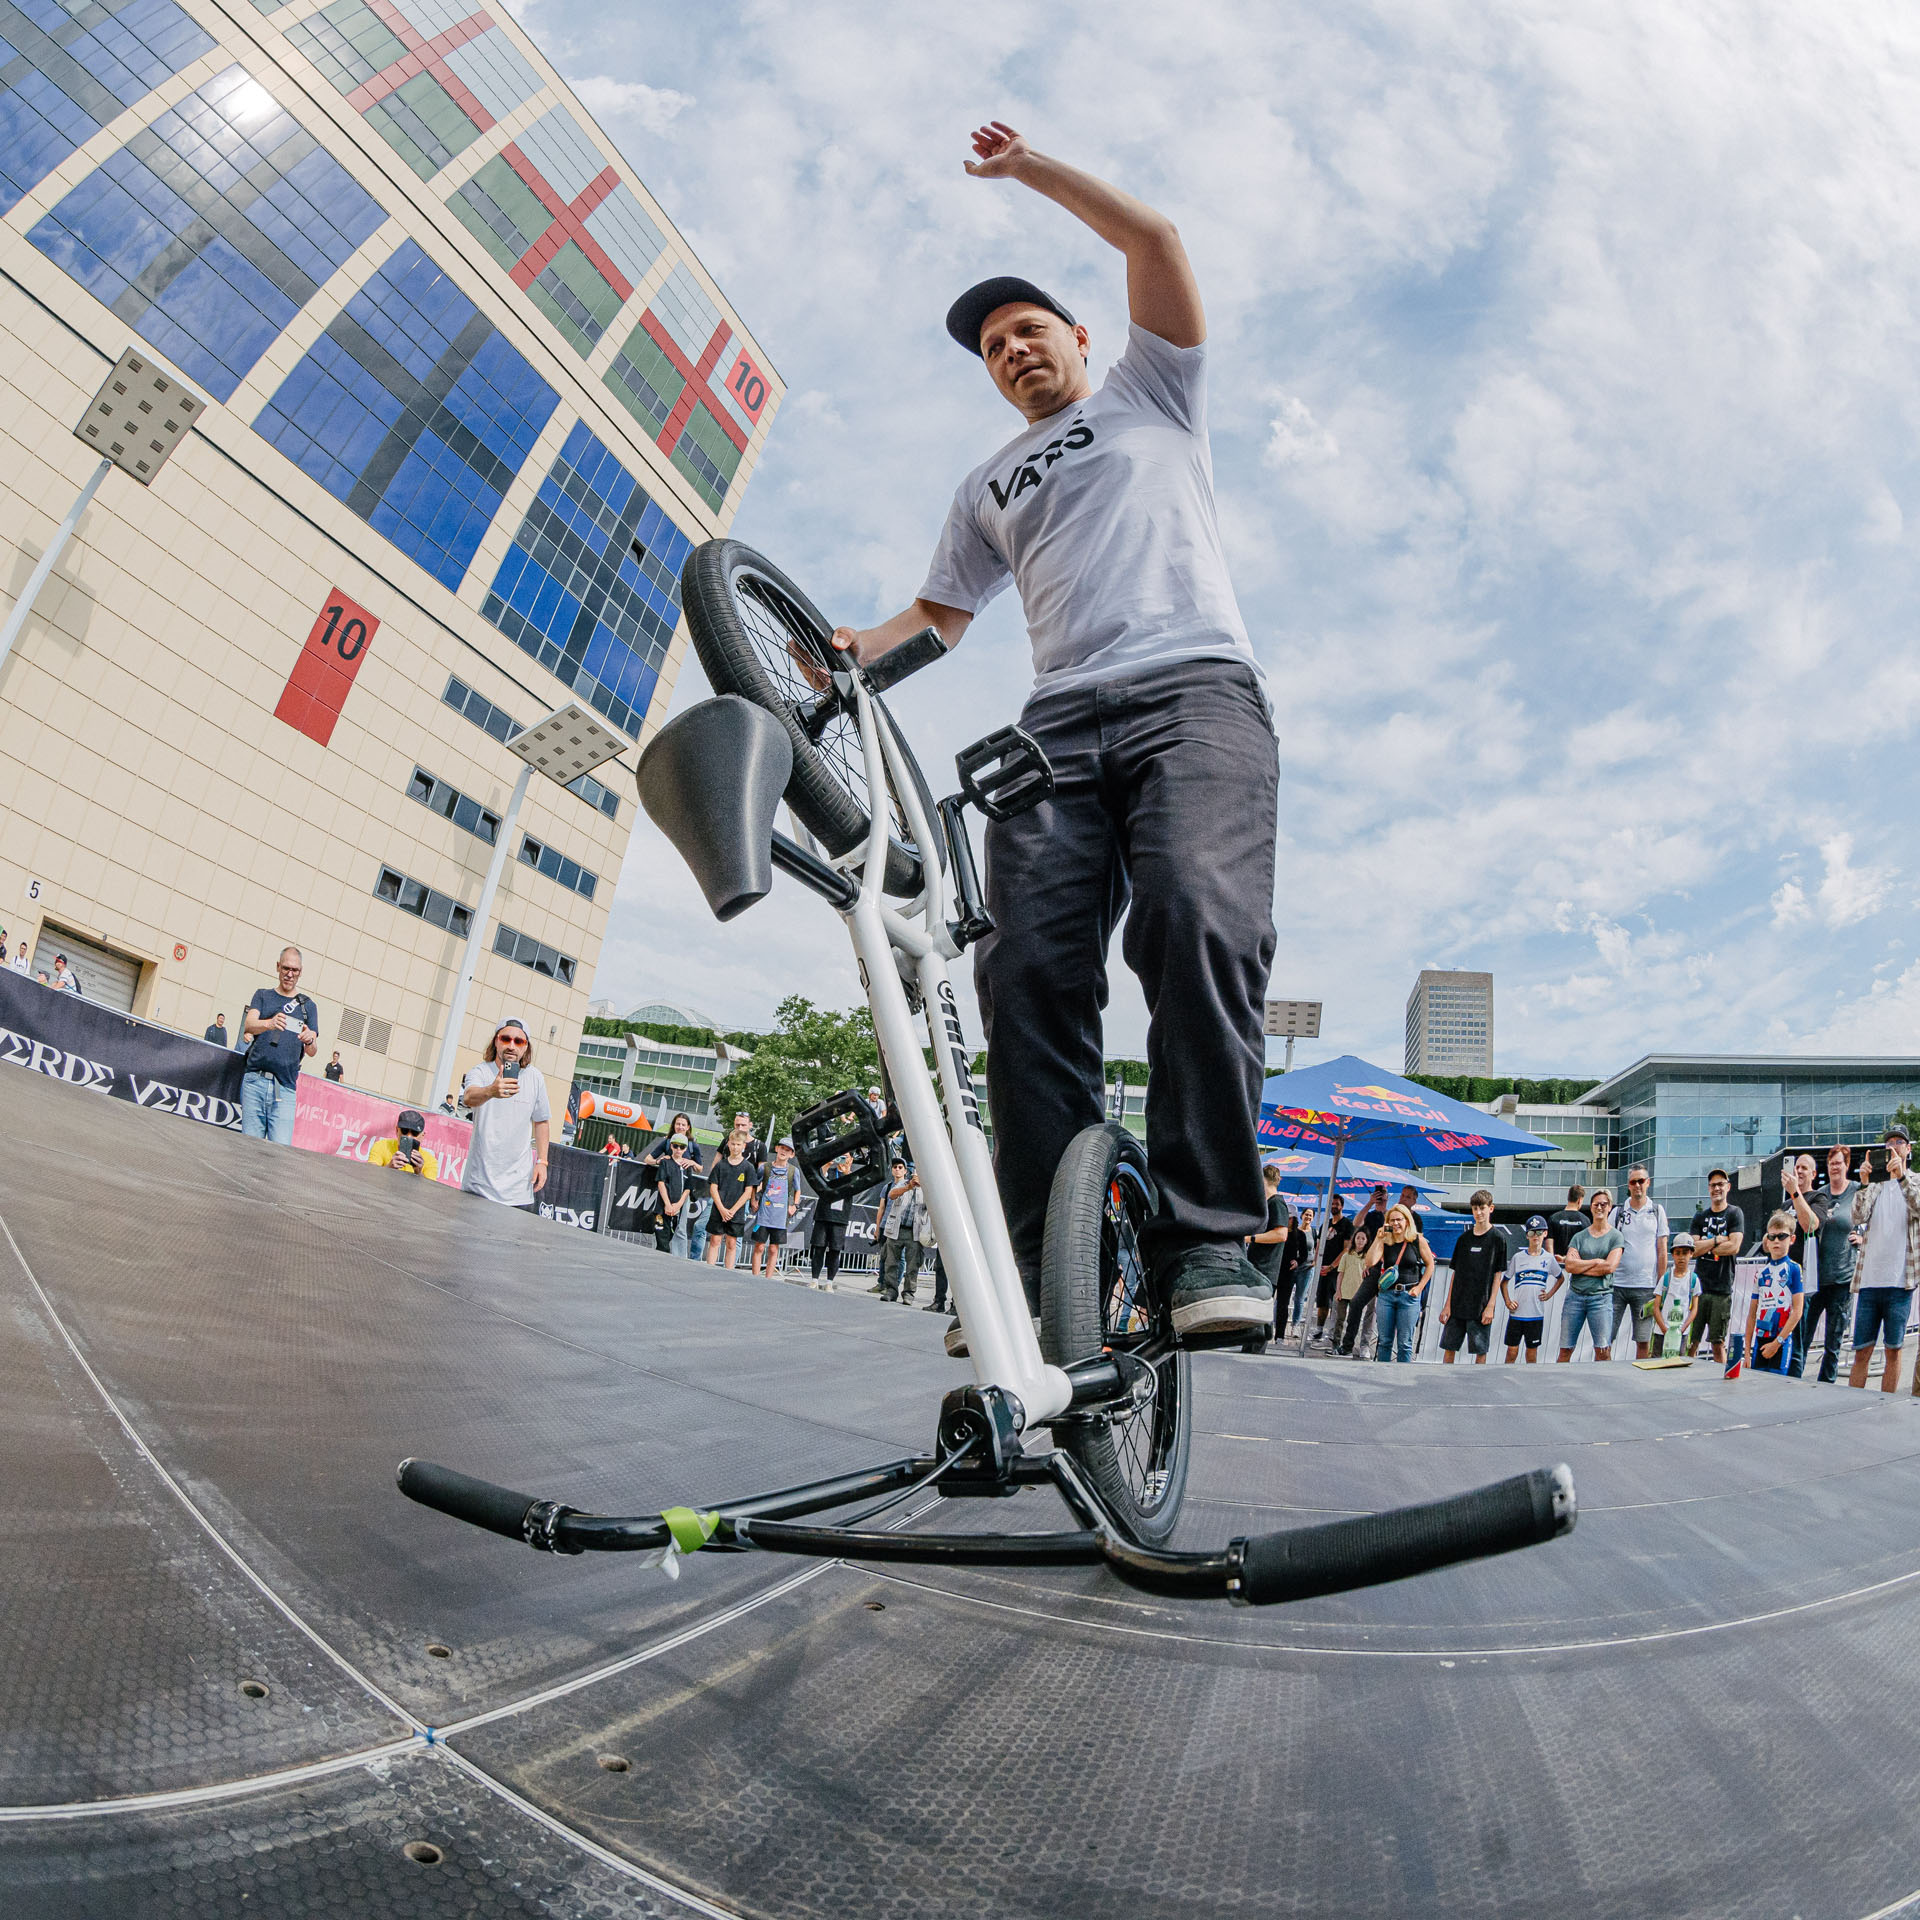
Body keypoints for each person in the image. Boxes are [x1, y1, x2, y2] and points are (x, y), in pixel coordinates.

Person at [824, 121, 1278, 1346]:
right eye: (992, 348)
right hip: (1057, 723)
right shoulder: (984, 488)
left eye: (1029, 330)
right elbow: (932, 623)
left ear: (1081, 339)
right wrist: (811, 657)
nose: (1013, 351)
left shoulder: (1153, 392)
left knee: (1194, 916)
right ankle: (1043, 1278)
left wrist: (1026, 172)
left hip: (1197, 695)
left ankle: (1207, 1243)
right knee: (1023, 973)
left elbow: (1156, 237)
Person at [1849, 1126, 1920, 1394]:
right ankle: (1852, 1405)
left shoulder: (1915, 1180)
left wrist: (1901, 1177)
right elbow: (1857, 1216)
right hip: (1869, 1280)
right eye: (1888, 1143)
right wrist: (1864, 1183)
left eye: (1899, 1142)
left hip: (1900, 1280)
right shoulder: (1876, 1185)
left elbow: (1918, 1206)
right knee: (1861, 1351)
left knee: (1894, 1350)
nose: (1893, 1146)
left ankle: (1886, 1406)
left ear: (1908, 1149)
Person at [459, 1017, 550, 1209]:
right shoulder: (481, 1071)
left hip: (518, 1191)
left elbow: (541, 1121)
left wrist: (542, 1161)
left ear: (526, 1047)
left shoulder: (535, 1078)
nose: (511, 1045)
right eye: (505, 1039)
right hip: (479, 1187)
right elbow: (468, 1097)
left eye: (519, 1041)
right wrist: (490, 1091)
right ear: (496, 1041)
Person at [1787, 1146, 1856, 1384]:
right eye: (1831, 1163)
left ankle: (1827, 1387)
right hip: (1816, 1276)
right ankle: (1795, 1384)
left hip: (1841, 1276)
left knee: (1833, 1342)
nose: (1835, 1167)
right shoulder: (1820, 1195)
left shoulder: (1856, 1190)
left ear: (1847, 1165)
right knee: (1803, 1337)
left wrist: (1864, 1235)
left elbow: (1870, 1215)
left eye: (1839, 1163)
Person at [239, 947, 317, 1144]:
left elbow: (312, 1051)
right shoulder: (263, 995)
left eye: (295, 970)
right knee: (247, 1150)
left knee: (278, 1156)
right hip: (254, 1081)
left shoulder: (308, 1007)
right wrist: (269, 1023)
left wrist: (309, 1039)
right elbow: (248, 1024)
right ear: (278, 967)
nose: (289, 974)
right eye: (285, 968)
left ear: (300, 972)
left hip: (285, 1087)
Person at [1439, 1190, 1506, 1365]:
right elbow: (1455, 1273)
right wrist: (1447, 1305)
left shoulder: (1498, 1239)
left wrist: (1491, 1305)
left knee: (1480, 1351)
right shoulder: (1463, 1239)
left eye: (1482, 1208)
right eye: (1475, 1208)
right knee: (1449, 1348)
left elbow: (1498, 1275)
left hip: (1481, 1305)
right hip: (1458, 1304)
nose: (1478, 1212)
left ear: (1490, 1208)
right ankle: (1444, 1385)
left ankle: (1479, 1388)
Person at [1558, 1188, 1624, 1363]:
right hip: (1575, 1297)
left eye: (1604, 1204)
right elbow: (1570, 1265)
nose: (1600, 1207)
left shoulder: (1616, 1237)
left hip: (1600, 1299)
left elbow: (1609, 1267)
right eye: (1596, 1204)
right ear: (1591, 1207)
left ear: (1609, 1207)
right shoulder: (1579, 1237)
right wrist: (1596, 1262)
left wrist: (1582, 1266)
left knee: (1602, 1351)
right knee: (1565, 1350)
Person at [1611, 1166, 1669, 1361]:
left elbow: (1662, 1250)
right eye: (1633, 1182)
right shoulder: (1618, 1212)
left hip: (1645, 1286)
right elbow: (1607, 1243)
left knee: (1643, 1341)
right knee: (1605, 1338)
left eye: (1641, 1181)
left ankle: (1639, 1382)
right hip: (1617, 1285)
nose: (1637, 1185)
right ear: (1628, 1185)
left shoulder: (1657, 1211)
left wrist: (1661, 1286)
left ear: (1648, 1182)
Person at [1687, 1168, 1745, 1363]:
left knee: (1717, 1343)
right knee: (1691, 1342)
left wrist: (1706, 1245)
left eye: (1720, 1184)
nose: (1716, 1188)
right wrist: (1717, 1240)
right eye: (1713, 1185)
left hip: (1721, 1288)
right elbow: (1693, 1249)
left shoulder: (1735, 1213)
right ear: (1708, 1188)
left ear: (1728, 1187)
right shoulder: (1699, 1217)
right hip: (1699, 1289)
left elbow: (1734, 1246)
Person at [1367, 1204, 1433, 1362]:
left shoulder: (1417, 1240)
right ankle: (1382, 1375)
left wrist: (1419, 1288)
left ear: (1407, 1221)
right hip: (1387, 1295)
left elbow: (1430, 1264)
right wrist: (1378, 1238)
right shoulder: (1386, 1241)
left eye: (1399, 1220)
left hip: (1409, 1295)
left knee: (1404, 1343)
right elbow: (1370, 1262)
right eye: (1392, 1220)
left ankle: (1402, 1379)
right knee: (1384, 1341)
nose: (1395, 1223)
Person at [1744, 1211, 1805, 1376]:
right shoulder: (1761, 1273)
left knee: (1775, 1387)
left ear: (1792, 1239)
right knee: (1756, 1384)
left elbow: (1797, 1310)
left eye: (1781, 1236)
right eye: (1772, 1237)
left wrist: (1778, 1342)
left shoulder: (1793, 1269)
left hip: (1781, 1339)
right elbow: (1751, 1314)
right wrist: (1747, 1351)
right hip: (1761, 1337)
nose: (1776, 1241)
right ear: (1766, 1241)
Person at [1501, 1215, 1564, 1365]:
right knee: (1512, 1352)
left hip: (1536, 1315)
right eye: (1531, 1233)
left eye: (1539, 1232)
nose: (1535, 1236)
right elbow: (1504, 1282)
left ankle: (1531, 1383)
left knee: (1531, 1354)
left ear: (1545, 1233)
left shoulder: (1549, 1259)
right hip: (1517, 1314)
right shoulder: (1518, 1257)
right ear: (1527, 1235)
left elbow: (1560, 1278)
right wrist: (1508, 1302)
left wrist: (1549, 1294)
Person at [1243, 1166, 1290, 1351]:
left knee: (1259, 1314)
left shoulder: (1276, 1203)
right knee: (1253, 1314)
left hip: (1266, 1268)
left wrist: (1250, 1238)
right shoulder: (1270, 1204)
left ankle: (1254, 1352)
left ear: (1263, 1181)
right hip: (1260, 1267)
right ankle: (1250, 1350)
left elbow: (1281, 1234)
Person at [873, 1158, 923, 1302]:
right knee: (891, 1262)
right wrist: (909, 1187)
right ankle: (891, 1290)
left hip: (915, 1231)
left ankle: (908, 1293)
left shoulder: (928, 1188)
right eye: (914, 1173)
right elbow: (892, 1195)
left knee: (913, 1265)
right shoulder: (902, 1184)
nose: (916, 1176)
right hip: (896, 1228)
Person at [705, 1133, 756, 1268]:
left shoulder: (748, 1168)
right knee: (715, 1240)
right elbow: (713, 1188)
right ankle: (709, 1269)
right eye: (733, 1144)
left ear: (744, 1146)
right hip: (719, 1208)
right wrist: (721, 1208)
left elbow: (748, 1192)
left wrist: (732, 1210)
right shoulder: (720, 1165)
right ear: (728, 1144)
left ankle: (728, 1271)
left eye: (738, 1144)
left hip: (736, 1212)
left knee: (731, 1243)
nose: (735, 1147)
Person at [750, 1139, 799, 1277]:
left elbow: (798, 1190)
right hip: (764, 1214)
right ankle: (755, 1277)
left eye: (788, 1150)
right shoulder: (765, 1167)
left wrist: (795, 1205)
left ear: (792, 1154)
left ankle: (768, 1278)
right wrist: (753, 1200)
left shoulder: (793, 1171)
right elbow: (754, 1184)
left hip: (780, 1216)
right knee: (759, 1246)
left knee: (773, 1248)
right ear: (777, 1148)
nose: (784, 1151)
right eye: (782, 1148)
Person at [1652, 1233, 1700, 1359]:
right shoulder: (1666, 1277)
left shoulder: (1693, 1279)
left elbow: (1694, 1308)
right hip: (1662, 1331)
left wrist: (1683, 1329)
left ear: (1691, 1254)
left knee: (1677, 1363)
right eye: (1677, 1253)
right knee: (1657, 1361)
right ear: (1673, 1255)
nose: (1681, 1257)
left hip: (1681, 1333)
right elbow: (1656, 1306)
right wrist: (1664, 1329)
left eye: (1685, 1253)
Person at [1313, 1194, 1352, 1342]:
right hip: (1322, 1269)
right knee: (1322, 1301)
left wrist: (1331, 1266)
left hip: (1338, 1271)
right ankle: (1319, 1329)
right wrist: (1317, 1263)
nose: (1334, 1206)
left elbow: (1346, 1249)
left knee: (1335, 1303)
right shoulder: (1325, 1224)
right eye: (1332, 1204)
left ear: (1342, 1206)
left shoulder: (1347, 1225)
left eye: (1337, 1204)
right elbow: (1319, 1245)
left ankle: (1333, 1332)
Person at [811, 1157, 854, 1289]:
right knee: (818, 1248)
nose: (843, 1160)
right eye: (841, 1157)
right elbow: (818, 1182)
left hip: (840, 1218)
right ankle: (814, 1280)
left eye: (846, 1157)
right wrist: (827, 1164)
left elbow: (855, 1189)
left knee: (835, 1251)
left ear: (851, 1160)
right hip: (823, 1215)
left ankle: (829, 1282)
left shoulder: (854, 1176)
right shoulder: (829, 1171)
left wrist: (847, 1173)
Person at [1329, 1224, 1372, 1354]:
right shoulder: (1346, 1255)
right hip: (1344, 1291)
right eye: (1358, 1238)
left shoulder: (1368, 1258)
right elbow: (1340, 1273)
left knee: (1353, 1321)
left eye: (1363, 1239)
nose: (1360, 1241)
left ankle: (1351, 1345)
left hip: (1358, 1294)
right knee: (1339, 1319)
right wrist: (1338, 1290)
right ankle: (1335, 1344)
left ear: (1367, 1241)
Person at [368, 1109, 439, 1180]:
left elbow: (429, 1189)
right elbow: (369, 1174)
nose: (409, 1136)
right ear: (397, 1130)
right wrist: (389, 1168)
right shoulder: (382, 1145)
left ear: (422, 1136)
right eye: (404, 1131)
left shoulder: (430, 1161)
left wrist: (418, 1173)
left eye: (415, 1133)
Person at [653, 1136, 695, 1255]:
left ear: (685, 1149)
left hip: (677, 1210)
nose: (678, 1149)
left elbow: (688, 1188)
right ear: (671, 1146)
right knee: (662, 1241)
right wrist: (667, 1204)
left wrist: (679, 1205)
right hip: (662, 1208)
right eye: (675, 1146)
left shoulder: (686, 1166)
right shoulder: (665, 1162)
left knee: (673, 1235)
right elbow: (661, 1183)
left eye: (681, 1147)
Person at [1547, 1184, 1588, 1262]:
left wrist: (1553, 1263)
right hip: (1577, 1266)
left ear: (1568, 1197)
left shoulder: (1554, 1218)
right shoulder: (1585, 1221)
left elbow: (1549, 1246)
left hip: (1557, 1264)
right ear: (1580, 1200)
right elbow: (1585, 1249)